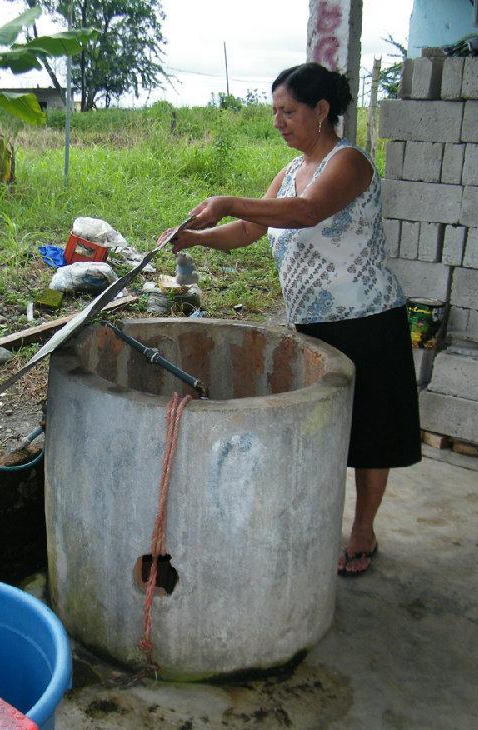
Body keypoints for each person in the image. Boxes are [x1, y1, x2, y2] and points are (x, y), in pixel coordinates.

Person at [161, 62, 421, 577]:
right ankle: (315, 518)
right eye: (274, 112)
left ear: (321, 110)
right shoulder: (290, 172)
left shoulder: (349, 163)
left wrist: (230, 200)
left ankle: (363, 529)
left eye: (288, 111)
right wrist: (193, 238)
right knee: (321, 428)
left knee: (372, 433)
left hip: (366, 321)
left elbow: (305, 213)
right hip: (313, 326)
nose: (278, 121)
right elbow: (248, 231)